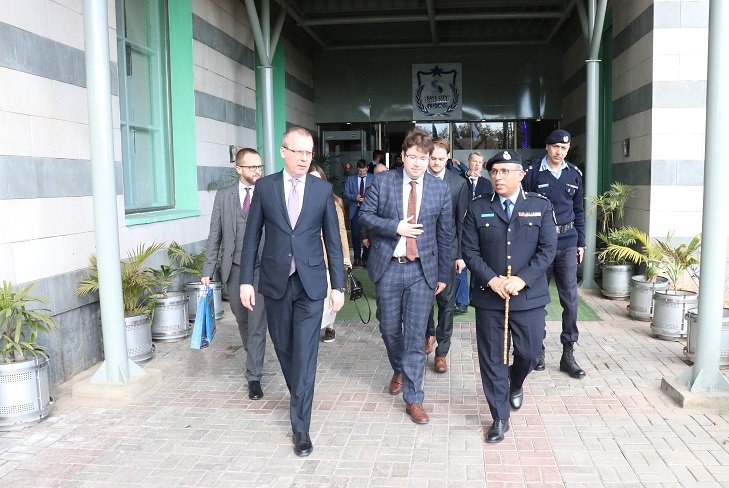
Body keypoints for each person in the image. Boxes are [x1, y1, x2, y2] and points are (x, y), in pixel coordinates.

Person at [239, 127, 346, 457]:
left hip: (311, 283)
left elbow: (333, 241)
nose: (304, 158)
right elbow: (252, 238)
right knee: (284, 347)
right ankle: (299, 393)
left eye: (308, 152)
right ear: (283, 152)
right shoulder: (266, 188)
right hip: (275, 282)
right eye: (298, 151)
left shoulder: (322, 190)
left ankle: (301, 427)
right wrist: (245, 280)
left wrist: (338, 285)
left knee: (306, 353)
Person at [461, 150, 556, 444]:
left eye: (505, 171)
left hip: (528, 296)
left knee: (529, 354)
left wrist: (521, 279)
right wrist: (492, 280)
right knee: (493, 359)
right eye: (494, 172)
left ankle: (516, 382)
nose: (498, 177)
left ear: (521, 175)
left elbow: (547, 250)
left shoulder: (540, 206)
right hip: (490, 297)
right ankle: (499, 417)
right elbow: (470, 251)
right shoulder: (478, 207)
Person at [358, 128, 452, 425]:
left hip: (421, 270)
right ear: (402, 156)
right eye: (412, 157)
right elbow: (364, 216)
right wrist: (394, 227)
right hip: (388, 266)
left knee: (415, 335)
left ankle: (414, 398)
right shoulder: (383, 181)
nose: (418, 163)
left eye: (423, 158)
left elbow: (445, 235)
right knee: (388, 329)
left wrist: (443, 274)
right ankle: (399, 368)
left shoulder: (439, 189)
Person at [201, 148, 267, 401]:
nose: (257, 171)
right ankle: (254, 355)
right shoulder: (224, 196)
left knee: (257, 322)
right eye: (252, 167)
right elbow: (214, 234)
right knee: (242, 319)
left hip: (261, 269)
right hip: (235, 268)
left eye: (259, 166)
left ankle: (254, 377)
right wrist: (207, 270)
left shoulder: (267, 192)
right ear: (238, 168)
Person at [522, 129, 586, 378]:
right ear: (547, 147)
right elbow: (523, 207)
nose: (559, 152)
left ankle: (568, 352)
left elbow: (578, 210)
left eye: (564, 148)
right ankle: (537, 349)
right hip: (540, 245)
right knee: (537, 298)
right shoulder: (532, 174)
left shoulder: (574, 174)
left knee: (570, 299)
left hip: (568, 243)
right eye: (556, 147)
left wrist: (581, 243)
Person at [424, 138, 469, 373]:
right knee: (423, 300)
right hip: (422, 251)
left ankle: (442, 352)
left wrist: (460, 255)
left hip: (448, 252)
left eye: (441, 159)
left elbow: (462, 222)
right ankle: (428, 334)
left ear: (448, 158)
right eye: (433, 158)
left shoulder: (458, 183)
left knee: (446, 303)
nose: (436, 163)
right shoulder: (417, 179)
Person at [310, 163, 352, 343]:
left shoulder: (333, 202)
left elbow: (340, 231)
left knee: (330, 292)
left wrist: (345, 256)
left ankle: (330, 326)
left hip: (328, 254)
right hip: (310, 255)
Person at [454, 151, 492, 314]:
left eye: (479, 162)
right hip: (462, 227)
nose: (476, 165)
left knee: (478, 263)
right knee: (460, 263)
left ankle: (475, 297)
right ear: (468, 162)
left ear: (482, 165)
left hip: (480, 228)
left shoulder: (486, 184)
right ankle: (461, 302)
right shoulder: (459, 180)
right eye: (474, 161)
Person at [344, 159, 372, 268]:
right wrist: (354, 197)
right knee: (355, 235)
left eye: (364, 171)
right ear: (357, 169)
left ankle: (366, 258)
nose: (362, 173)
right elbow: (345, 193)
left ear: (367, 168)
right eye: (360, 171)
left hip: (368, 211)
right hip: (355, 209)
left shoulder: (373, 178)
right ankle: (357, 258)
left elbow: (376, 193)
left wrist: (367, 199)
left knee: (368, 234)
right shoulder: (350, 179)